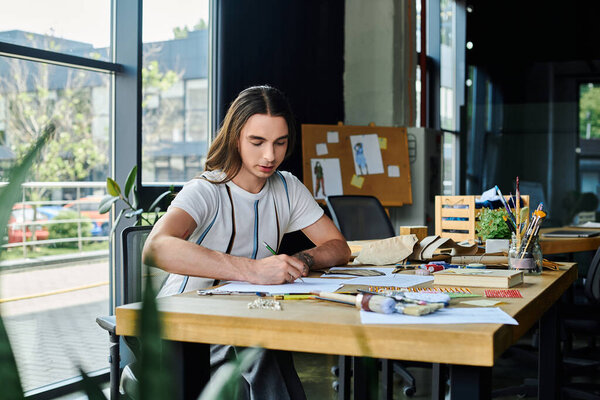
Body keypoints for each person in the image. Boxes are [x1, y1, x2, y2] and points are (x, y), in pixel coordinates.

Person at [142, 85, 351, 399]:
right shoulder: (206, 189)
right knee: (259, 346)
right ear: (235, 137)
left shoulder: (287, 187)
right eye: (257, 142)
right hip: (182, 329)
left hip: (244, 320)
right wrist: (253, 271)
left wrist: (303, 260)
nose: (270, 156)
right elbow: (155, 247)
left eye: (280, 143)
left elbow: (339, 246)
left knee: (264, 343)